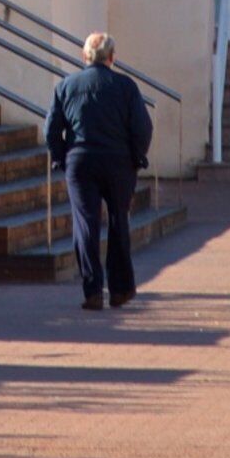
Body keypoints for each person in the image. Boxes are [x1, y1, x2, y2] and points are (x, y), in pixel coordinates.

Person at [44, 29, 155, 311]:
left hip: (81, 161)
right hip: (118, 162)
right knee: (119, 221)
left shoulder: (66, 86)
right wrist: (136, 157)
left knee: (85, 224)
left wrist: (61, 157)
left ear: (84, 56)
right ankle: (120, 289)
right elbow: (142, 127)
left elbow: (52, 130)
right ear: (112, 57)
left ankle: (92, 290)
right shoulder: (125, 86)